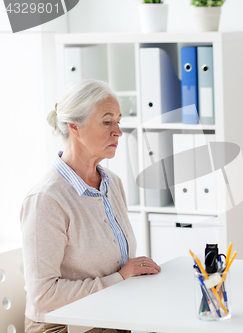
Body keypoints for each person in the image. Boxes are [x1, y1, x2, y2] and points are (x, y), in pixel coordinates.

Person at [20, 79, 161, 333]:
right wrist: (119, 279)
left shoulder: (112, 184)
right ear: (74, 126)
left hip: (107, 315)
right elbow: (44, 294)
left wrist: (131, 276)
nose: (118, 131)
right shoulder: (46, 199)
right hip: (62, 325)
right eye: (107, 122)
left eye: (118, 121)